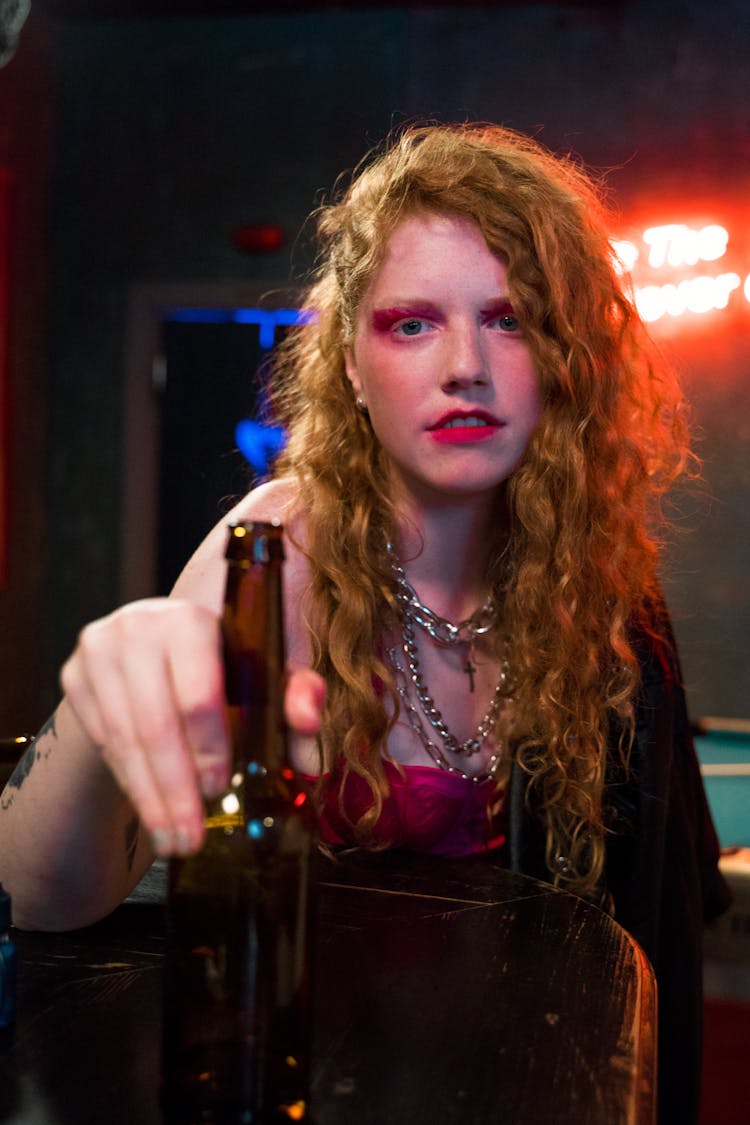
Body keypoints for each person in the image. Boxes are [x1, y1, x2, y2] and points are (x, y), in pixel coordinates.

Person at [0, 123, 730, 1121]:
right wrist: (97, 702)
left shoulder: (601, 590)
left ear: (565, 355)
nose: (466, 364)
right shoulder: (274, 553)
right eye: (410, 323)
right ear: (349, 362)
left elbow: (660, 932)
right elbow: (39, 902)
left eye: (511, 318)